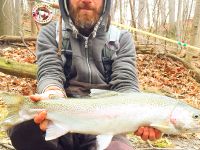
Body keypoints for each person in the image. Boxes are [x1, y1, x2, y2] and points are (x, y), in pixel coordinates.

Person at [8, 0, 161, 149]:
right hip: (61, 114)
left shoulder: (121, 39)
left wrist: (141, 115)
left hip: (106, 123)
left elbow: (126, 84)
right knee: (22, 128)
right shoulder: (50, 33)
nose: (87, 0)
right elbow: (49, 72)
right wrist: (52, 93)